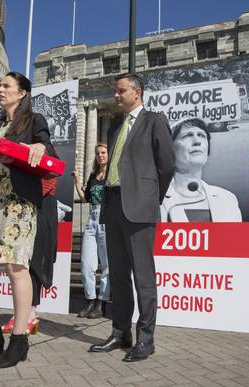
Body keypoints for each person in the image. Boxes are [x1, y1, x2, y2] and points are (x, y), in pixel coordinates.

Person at [0, 71, 57, 368]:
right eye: (0, 85)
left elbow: (46, 150)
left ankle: (19, 338)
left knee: (16, 267)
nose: (0, 89)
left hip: (16, 202)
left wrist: (40, 146)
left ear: (22, 93)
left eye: (7, 86)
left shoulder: (34, 120)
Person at [89, 73, 174, 362]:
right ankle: (120, 332)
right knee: (119, 277)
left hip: (139, 208)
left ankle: (146, 339)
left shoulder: (155, 121)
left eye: (120, 90)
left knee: (143, 277)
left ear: (136, 93)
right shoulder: (114, 127)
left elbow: (167, 166)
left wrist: (151, 198)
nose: (116, 95)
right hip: (112, 208)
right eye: (115, 91)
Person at [0, 175, 59, 335]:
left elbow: (49, 181)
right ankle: (23, 313)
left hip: (40, 205)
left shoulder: (46, 149)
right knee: (21, 260)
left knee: (34, 260)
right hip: (23, 206)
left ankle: (30, 314)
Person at [160, 118, 242, 222]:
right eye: (187, 135)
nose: (197, 141)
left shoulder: (227, 199)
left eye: (202, 135)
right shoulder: (154, 200)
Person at [74, 143, 110, 319]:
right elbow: (85, 199)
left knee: (106, 265)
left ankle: (101, 303)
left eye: (103, 153)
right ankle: (89, 300)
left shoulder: (113, 175)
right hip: (92, 219)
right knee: (86, 264)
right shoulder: (93, 176)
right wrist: (77, 182)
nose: (100, 156)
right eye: (98, 153)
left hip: (107, 219)